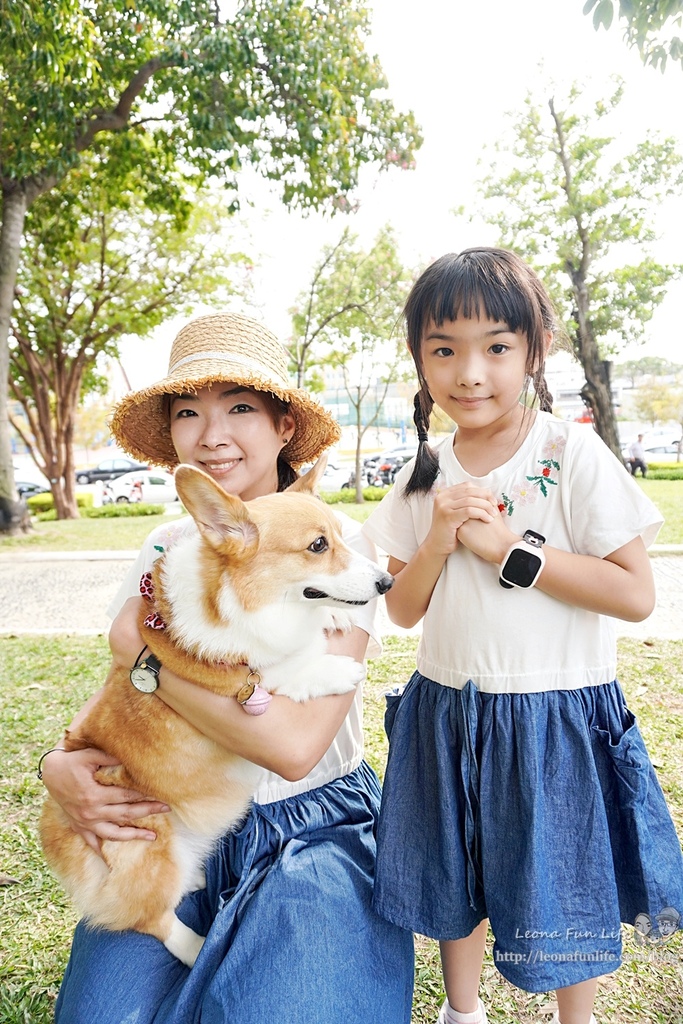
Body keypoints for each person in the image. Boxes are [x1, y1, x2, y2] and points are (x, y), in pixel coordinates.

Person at [39, 312, 414, 1024]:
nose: (211, 435)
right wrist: (60, 765)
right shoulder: (166, 545)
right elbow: (121, 698)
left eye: (239, 408)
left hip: (311, 827)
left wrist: (146, 655)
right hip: (171, 813)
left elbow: (292, 746)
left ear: (282, 427)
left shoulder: (335, 547)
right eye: (188, 413)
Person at [361, 249, 683, 1024]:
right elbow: (402, 610)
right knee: (456, 866)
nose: (469, 372)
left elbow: (634, 593)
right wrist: (439, 539)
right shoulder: (423, 470)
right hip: (449, 709)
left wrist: (511, 552)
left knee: (564, 873)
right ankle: (461, 1010)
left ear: (534, 352)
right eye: (443, 349)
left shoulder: (568, 453)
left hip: (555, 713)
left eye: (496, 347)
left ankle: (579, 1017)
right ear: (419, 360)